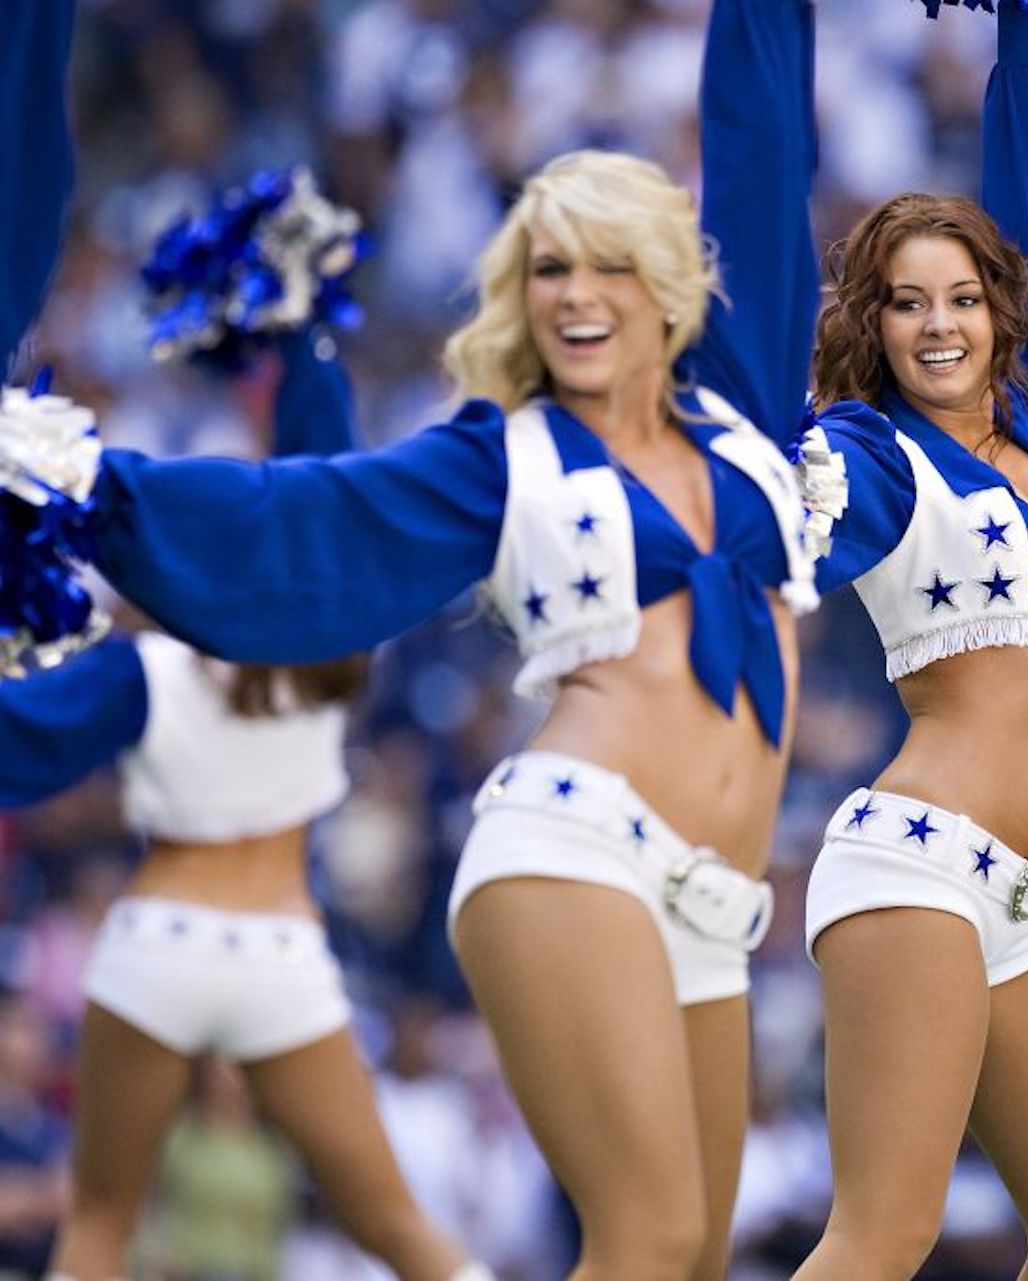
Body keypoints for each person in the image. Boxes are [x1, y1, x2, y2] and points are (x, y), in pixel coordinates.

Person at [13, 0, 820, 1272]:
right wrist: (78, 486)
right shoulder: (500, 458)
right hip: (570, 848)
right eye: (547, 268)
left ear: (668, 284)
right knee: (649, 1234)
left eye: (606, 265)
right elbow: (299, 521)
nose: (575, 295)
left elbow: (765, 146)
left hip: (715, 900)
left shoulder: (748, 416)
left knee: (694, 1256)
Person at [0, 335, 484, 1281]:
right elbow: (333, 493)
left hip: (157, 944)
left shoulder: (141, 669)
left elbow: (17, 742)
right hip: (279, 957)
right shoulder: (330, 663)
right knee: (401, 1231)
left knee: (99, 1226)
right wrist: (310, 346)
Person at [788, 4, 1028, 1277]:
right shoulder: (871, 458)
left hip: (1017, 900)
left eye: (961, 298)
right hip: (916, 873)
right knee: (886, 1234)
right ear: (869, 327)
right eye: (903, 304)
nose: (938, 325)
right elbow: (780, 544)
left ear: (1002, 311)